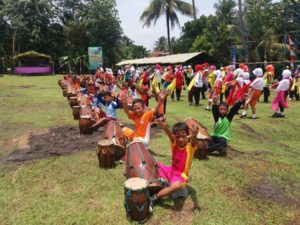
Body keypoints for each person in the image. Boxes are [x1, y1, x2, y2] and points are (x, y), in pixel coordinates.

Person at [151, 121, 198, 204]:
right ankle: (159, 183)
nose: (180, 139)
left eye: (183, 136)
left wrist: (194, 137)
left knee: (177, 186)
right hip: (170, 170)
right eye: (178, 136)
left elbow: (193, 142)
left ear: (188, 136)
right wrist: (165, 128)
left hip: (180, 175)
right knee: (153, 163)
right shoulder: (174, 144)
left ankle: (155, 197)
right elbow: (170, 135)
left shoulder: (190, 148)